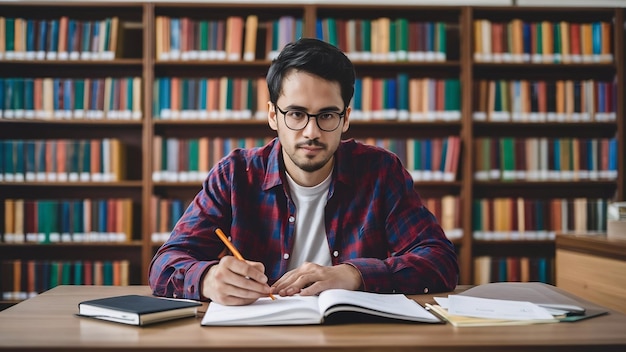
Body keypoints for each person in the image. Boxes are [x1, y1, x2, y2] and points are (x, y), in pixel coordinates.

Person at [149, 38, 458, 306]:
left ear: (345, 118)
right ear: (273, 115)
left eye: (327, 115)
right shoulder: (235, 175)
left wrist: (353, 274)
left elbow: (440, 261)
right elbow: (165, 264)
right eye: (296, 114)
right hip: (255, 338)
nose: (311, 132)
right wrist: (206, 279)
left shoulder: (380, 172)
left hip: (356, 338)